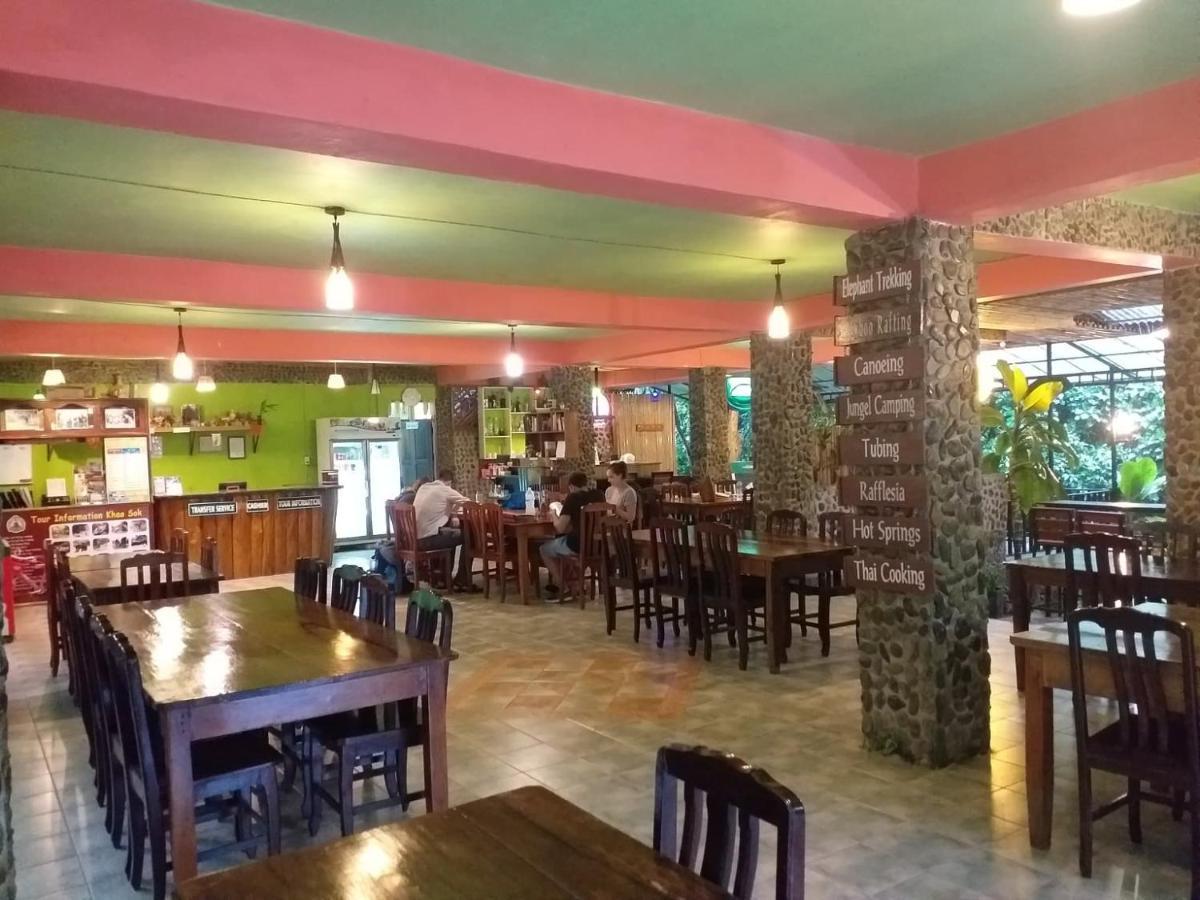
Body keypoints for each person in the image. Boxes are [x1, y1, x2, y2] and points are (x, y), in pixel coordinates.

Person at [540, 471, 604, 599]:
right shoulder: (599, 495)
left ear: (571, 487)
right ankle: (578, 585)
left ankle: (564, 587)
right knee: (561, 546)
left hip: (577, 545)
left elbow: (560, 528)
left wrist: (553, 515)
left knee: (544, 549)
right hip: (598, 545)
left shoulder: (573, 498)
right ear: (585, 483)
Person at [413, 469, 471, 587]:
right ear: (449, 482)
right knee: (467, 536)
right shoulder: (445, 490)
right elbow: (468, 503)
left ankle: (442, 578)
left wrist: (453, 513)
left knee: (451, 533)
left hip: (415, 538)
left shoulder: (424, 487)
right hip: (427, 539)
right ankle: (462, 580)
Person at [604, 460, 638, 525]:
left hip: (623, 530)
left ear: (620, 475)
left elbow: (631, 517)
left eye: (611, 477)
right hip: (610, 527)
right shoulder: (609, 490)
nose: (608, 480)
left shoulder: (629, 492)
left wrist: (615, 509)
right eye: (608, 477)